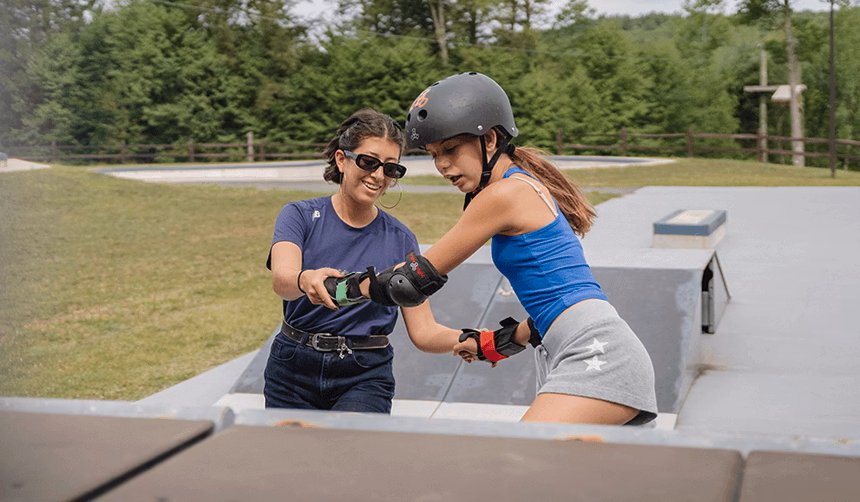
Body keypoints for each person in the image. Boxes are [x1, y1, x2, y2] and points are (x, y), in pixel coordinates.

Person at [330, 73, 658, 425]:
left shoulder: (502, 195)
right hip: (578, 345)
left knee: (511, 464)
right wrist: (492, 343)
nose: (442, 165)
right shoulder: (522, 185)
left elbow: (407, 284)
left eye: (451, 149)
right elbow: (553, 303)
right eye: (434, 154)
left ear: (488, 139)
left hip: (595, 352)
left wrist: (341, 288)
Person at [265, 108, 464, 413]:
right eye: (368, 162)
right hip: (292, 368)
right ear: (341, 160)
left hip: (365, 375)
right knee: (293, 461)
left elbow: (424, 332)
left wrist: (479, 340)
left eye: (391, 169)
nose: (378, 176)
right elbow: (283, 281)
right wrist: (306, 279)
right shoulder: (299, 215)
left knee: (353, 459)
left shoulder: (401, 238)